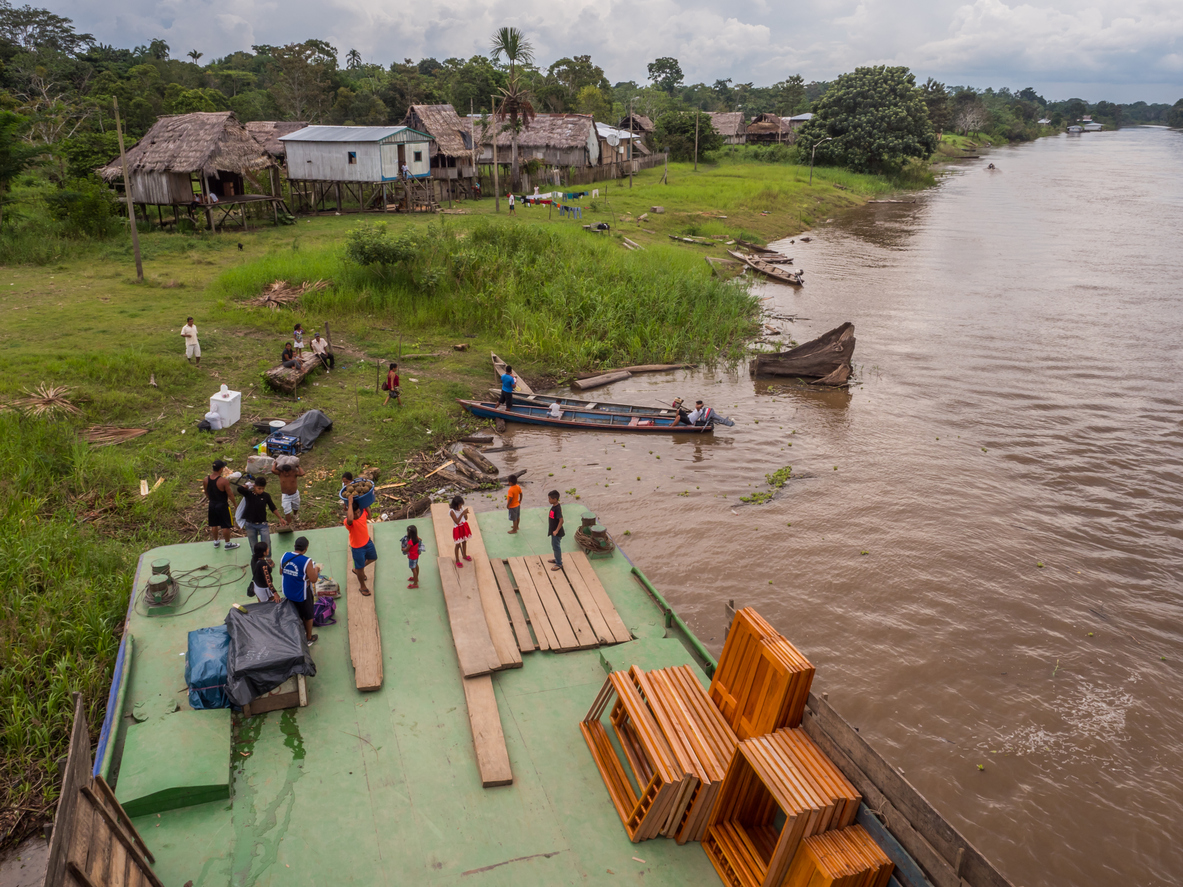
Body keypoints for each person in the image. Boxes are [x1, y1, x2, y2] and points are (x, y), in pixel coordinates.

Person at [280, 536, 320, 644]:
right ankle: (308, 638)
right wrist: (316, 569)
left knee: (295, 613)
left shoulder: (285, 556)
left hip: (288, 592)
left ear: (294, 546)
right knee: (309, 615)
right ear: (306, 548)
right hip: (301, 594)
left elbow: (281, 572)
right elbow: (313, 579)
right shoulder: (307, 561)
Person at [236, 475, 280, 558]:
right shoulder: (248, 494)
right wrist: (248, 486)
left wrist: (280, 518)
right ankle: (256, 558)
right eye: (259, 488)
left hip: (263, 524)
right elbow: (239, 489)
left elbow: (272, 507)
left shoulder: (266, 496)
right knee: (253, 544)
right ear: (254, 486)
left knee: (266, 543)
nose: (261, 490)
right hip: (250, 524)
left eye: (263, 488)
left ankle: (268, 558)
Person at [345, 490, 377, 596]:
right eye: (355, 513)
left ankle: (358, 569)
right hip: (357, 547)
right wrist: (349, 503)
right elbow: (349, 518)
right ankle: (362, 586)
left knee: (373, 558)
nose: (358, 514)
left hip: (367, 542)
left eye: (358, 512)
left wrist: (365, 502)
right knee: (360, 568)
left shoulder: (362, 514)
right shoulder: (349, 522)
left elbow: (370, 516)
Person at [202, 460, 239, 550]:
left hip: (212, 504)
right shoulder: (224, 481)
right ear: (221, 469)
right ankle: (227, 544)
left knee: (214, 524)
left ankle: (216, 542)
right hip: (222, 505)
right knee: (225, 525)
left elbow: (206, 492)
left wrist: (211, 500)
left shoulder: (206, 479)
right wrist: (235, 504)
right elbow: (230, 495)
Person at [272, 460, 305, 529]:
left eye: (288, 472)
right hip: (286, 495)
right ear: (283, 471)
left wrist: (298, 466)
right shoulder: (280, 473)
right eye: (285, 472)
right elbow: (273, 470)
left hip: (295, 494)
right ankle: (289, 524)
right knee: (287, 510)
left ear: (291, 470)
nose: (287, 474)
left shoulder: (294, 473)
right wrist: (275, 463)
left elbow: (302, 473)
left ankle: (295, 515)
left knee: (296, 506)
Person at [449, 495, 472, 567]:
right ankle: (457, 560)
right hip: (457, 528)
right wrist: (462, 514)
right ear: (455, 505)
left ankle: (464, 555)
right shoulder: (452, 511)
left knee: (465, 541)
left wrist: (465, 514)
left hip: (464, 526)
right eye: (459, 505)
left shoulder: (461, 508)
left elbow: (466, 518)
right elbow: (456, 521)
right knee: (458, 545)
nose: (460, 506)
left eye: (461, 505)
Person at [547, 490, 565, 571]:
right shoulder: (554, 506)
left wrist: (556, 531)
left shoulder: (557, 509)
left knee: (556, 547)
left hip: (556, 532)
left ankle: (559, 563)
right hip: (553, 531)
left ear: (555, 499)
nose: (549, 500)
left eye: (550, 499)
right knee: (554, 546)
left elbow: (561, 520)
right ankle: (557, 559)